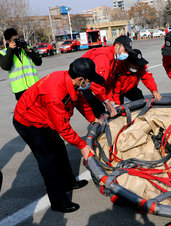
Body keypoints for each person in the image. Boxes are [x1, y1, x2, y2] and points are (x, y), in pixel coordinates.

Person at [13, 58, 104, 213]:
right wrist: (82, 146)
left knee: (59, 148)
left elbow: (79, 101)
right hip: (29, 123)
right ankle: (58, 202)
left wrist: (92, 118)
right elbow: (63, 128)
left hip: (44, 118)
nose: (90, 83)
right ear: (81, 79)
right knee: (48, 160)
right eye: (89, 80)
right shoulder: (55, 94)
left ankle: (69, 182)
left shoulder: (70, 81)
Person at [81, 35, 134, 117]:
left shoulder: (114, 60)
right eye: (125, 50)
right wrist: (107, 103)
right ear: (116, 46)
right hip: (82, 85)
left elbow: (106, 83)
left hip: (89, 85)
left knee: (102, 108)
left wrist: (112, 102)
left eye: (128, 52)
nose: (126, 54)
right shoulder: (104, 57)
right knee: (98, 109)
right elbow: (96, 84)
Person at [0, 28, 42, 100]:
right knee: (26, 111)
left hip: (34, 86)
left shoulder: (26, 49)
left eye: (17, 39)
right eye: (14, 40)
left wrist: (28, 50)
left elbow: (38, 62)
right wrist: (11, 49)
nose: (17, 41)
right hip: (20, 91)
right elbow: (5, 66)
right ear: (7, 41)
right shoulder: (4, 52)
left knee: (40, 110)